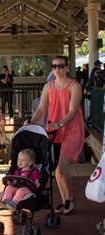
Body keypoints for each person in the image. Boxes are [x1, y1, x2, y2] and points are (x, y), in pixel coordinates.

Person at [30, 56, 84, 215]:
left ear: (67, 67)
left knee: (60, 169)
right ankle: (67, 200)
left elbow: (73, 111)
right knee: (59, 170)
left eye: (61, 66)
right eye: (54, 66)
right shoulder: (48, 86)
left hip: (72, 129)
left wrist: (60, 123)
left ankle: (70, 200)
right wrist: (31, 122)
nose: (57, 69)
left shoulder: (74, 86)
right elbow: (41, 108)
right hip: (53, 131)